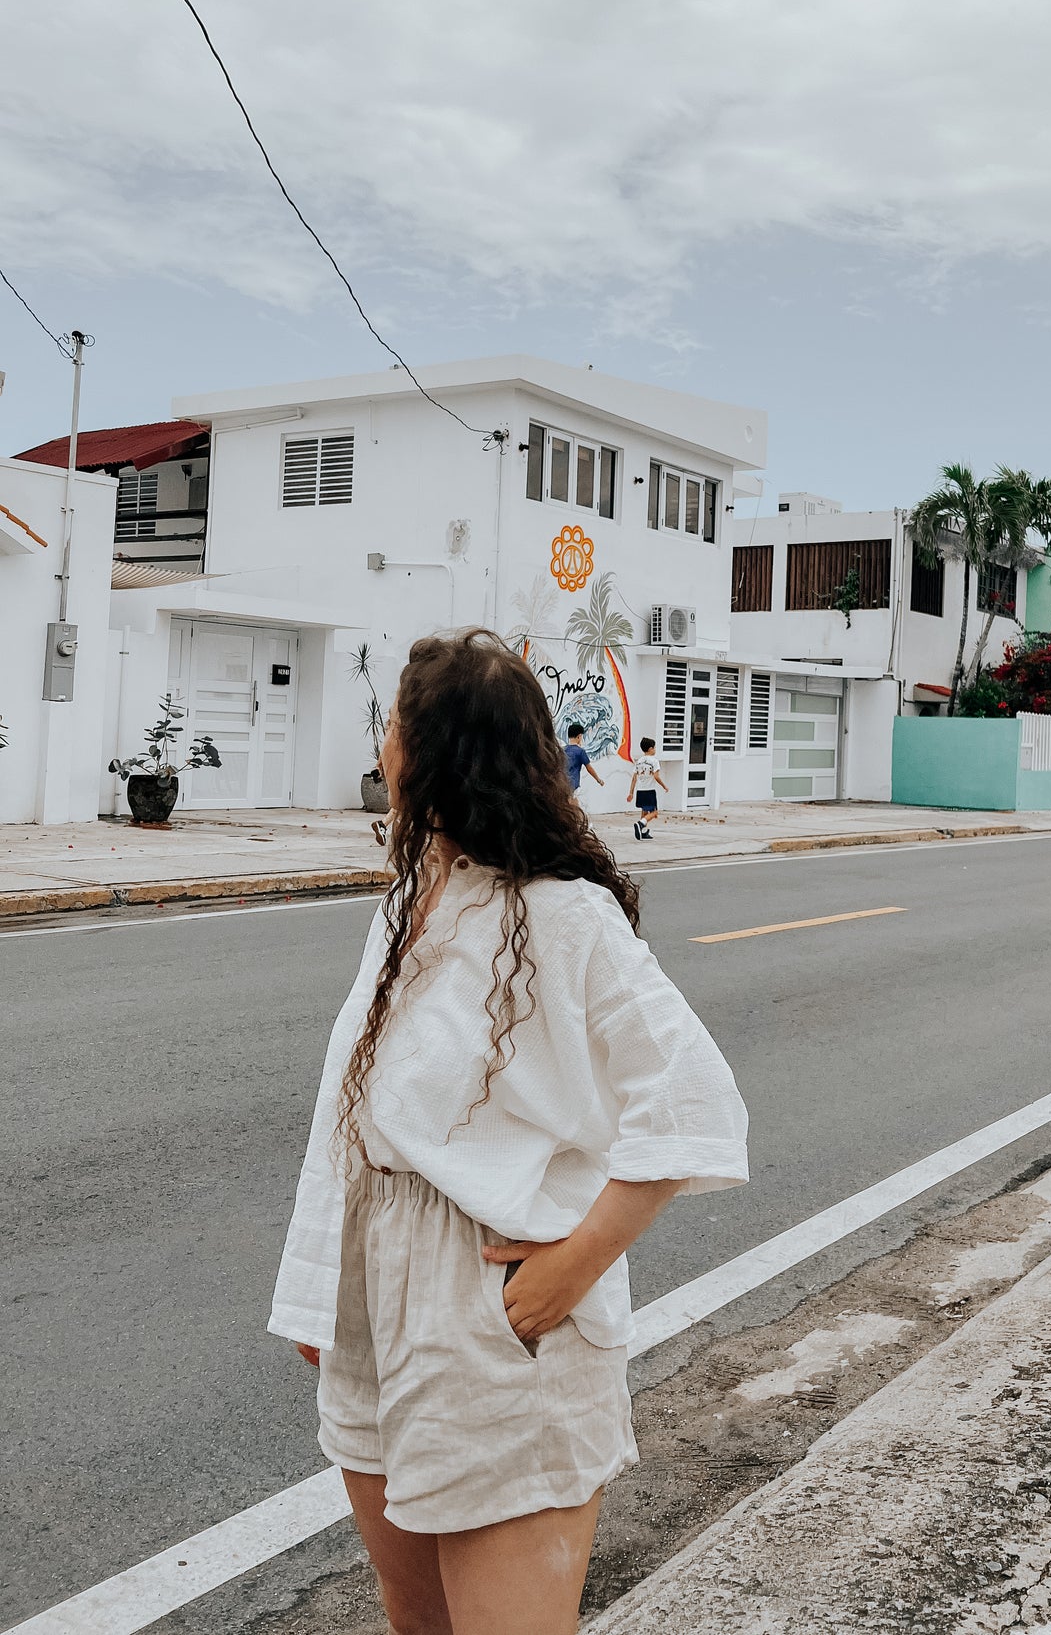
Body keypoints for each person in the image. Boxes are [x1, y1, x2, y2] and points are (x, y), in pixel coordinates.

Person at [269, 630, 747, 1635]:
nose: (382, 742)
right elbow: (344, 1109)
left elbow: (693, 1097)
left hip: (493, 1301)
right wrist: (325, 1288)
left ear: (431, 751)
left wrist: (576, 1262)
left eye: (393, 724)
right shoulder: (411, 899)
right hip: (380, 1293)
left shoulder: (564, 915)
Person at [626, 736, 668, 840]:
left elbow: (634, 778)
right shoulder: (654, 761)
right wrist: (664, 786)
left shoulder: (639, 761)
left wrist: (631, 793)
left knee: (644, 811)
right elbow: (656, 776)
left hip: (640, 790)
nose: (655, 750)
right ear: (650, 749)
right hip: (649, 790)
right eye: (654, 748)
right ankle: (640, 824)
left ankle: (642, 831)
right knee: (654, 813)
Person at [564, 721, 604, 795]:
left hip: (562, 785)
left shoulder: (562, 750)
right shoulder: (580, 751)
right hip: (573, 787)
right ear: (579, 736)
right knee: (574, 805)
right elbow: (589, 768)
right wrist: (598, 780)